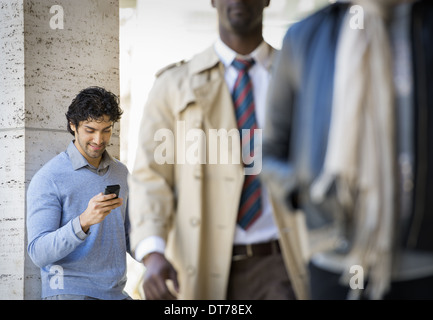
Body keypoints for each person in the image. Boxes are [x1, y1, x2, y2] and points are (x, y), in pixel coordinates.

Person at [128, 0, 309, 300]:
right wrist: (153, 252)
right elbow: (151, 177)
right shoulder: (173, 86)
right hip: (198, 266)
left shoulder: (299, 76)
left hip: (282, 263)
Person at [261, 0, 433, 300]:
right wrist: (306, 193)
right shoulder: (304, 37)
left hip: (424, 268)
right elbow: (270, 150)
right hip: (334, 266)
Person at [27, 86, 132, 300]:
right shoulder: (49, 178)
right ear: (73, 125)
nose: (99, 139)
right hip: (69, 292)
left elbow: (130, 236)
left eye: (106, 130)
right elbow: (38, 252)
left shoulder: (121, 172)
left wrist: (160, 253)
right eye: (90, 130)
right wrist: (83, 221)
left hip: (115, 293)